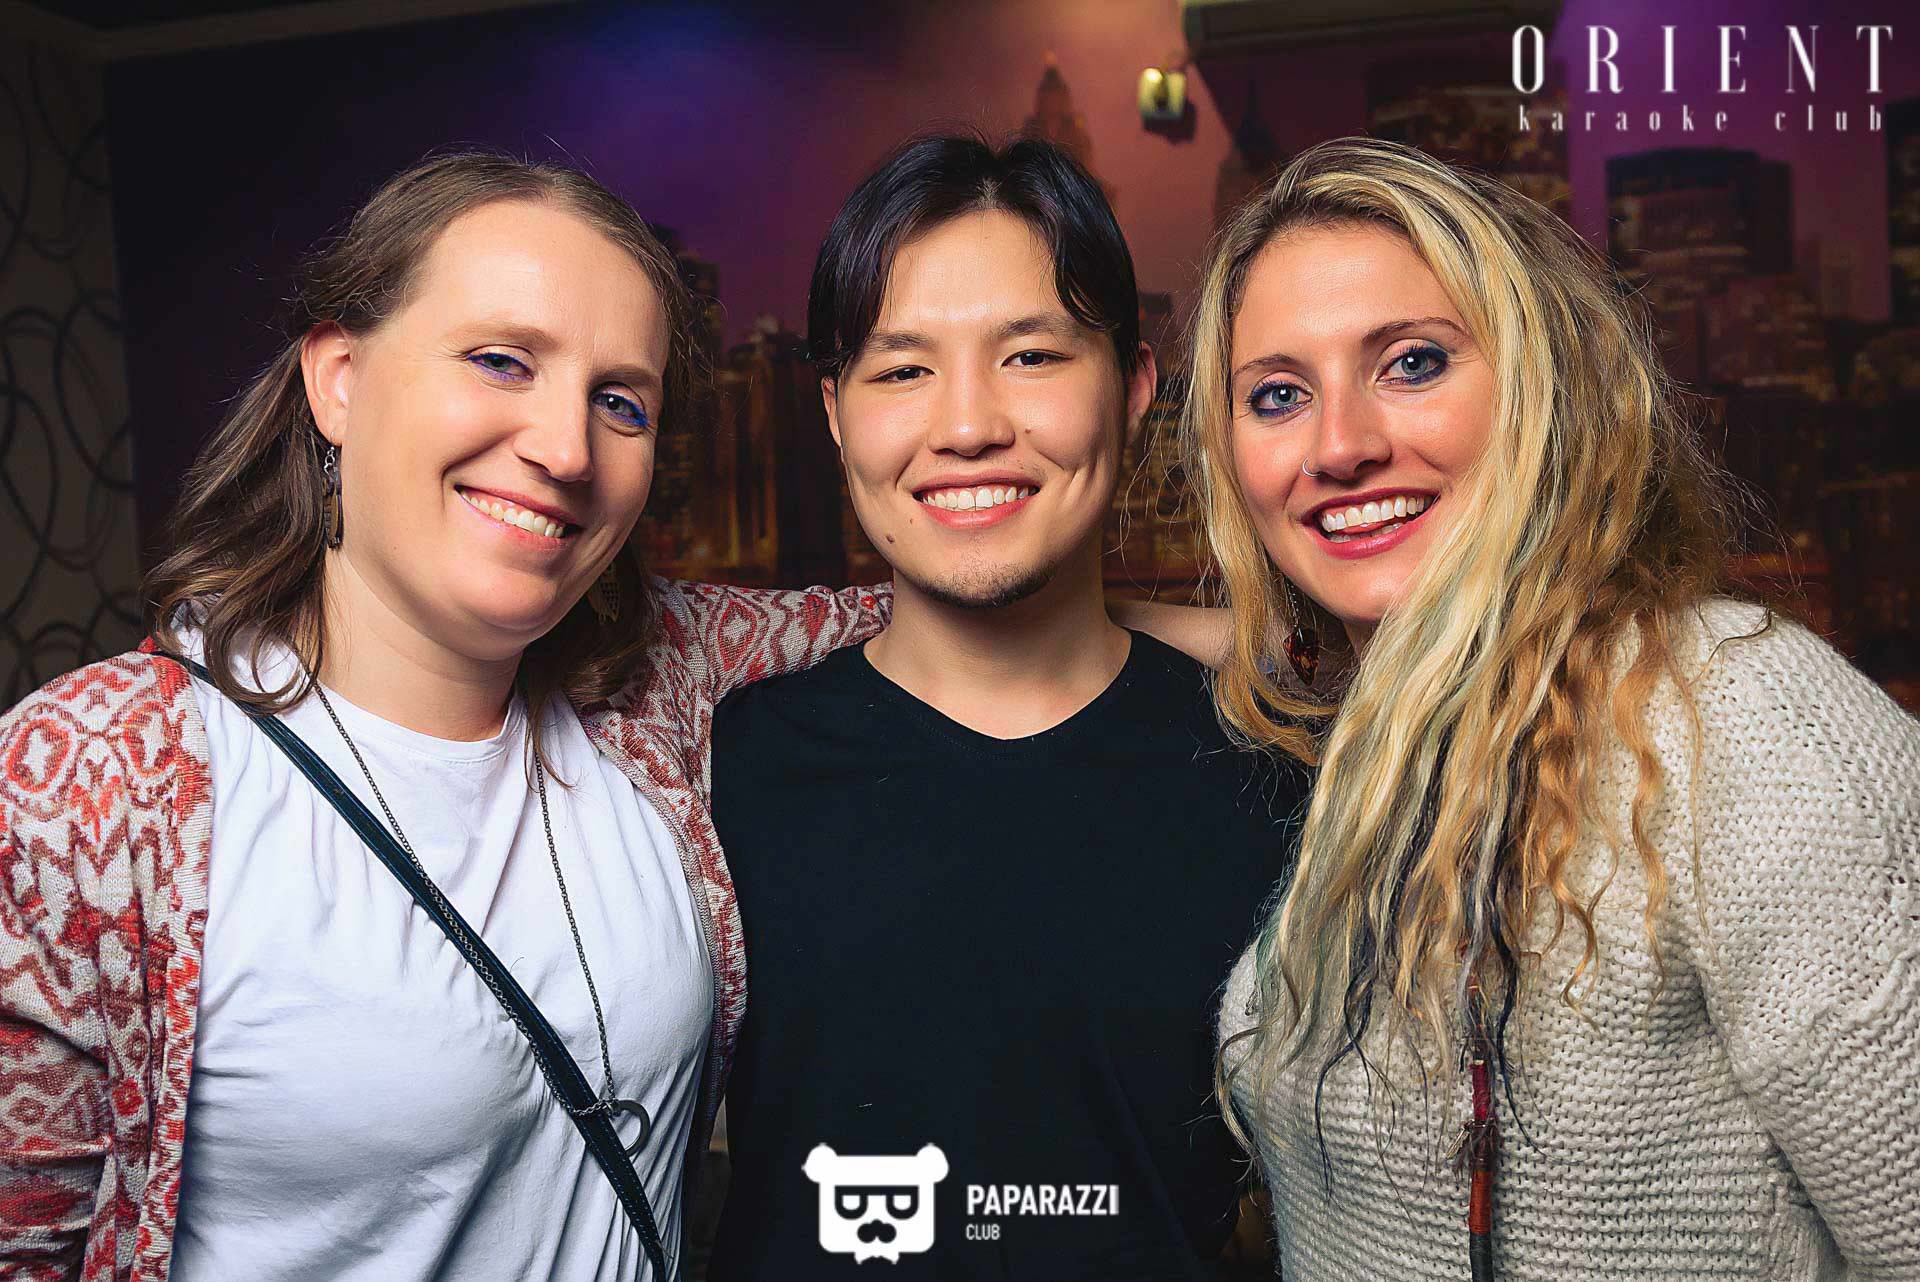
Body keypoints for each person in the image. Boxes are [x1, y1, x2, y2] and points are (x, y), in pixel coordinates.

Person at [0, 152, 892, 1281]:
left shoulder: (654, 682)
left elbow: (937, 610)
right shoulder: (92, 781)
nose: (565, 449)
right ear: (339, 379)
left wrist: (1147, 587)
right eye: (501, 360)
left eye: (620, 402)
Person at [1187, 138, 1920, 1280]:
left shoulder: (1745, 719)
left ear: (1543, 388)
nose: (1340, 446)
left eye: (1413, 363)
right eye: (1278, 395)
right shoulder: (1377, 756)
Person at [703, 135, 1305, 1281]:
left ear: (1133, 387)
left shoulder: (1274, 767)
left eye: (1030, 356)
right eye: (902, 371)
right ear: (834, 413)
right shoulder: (721, 767)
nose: (968, 424)